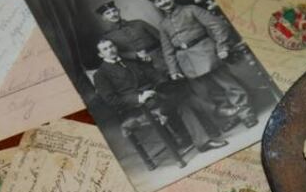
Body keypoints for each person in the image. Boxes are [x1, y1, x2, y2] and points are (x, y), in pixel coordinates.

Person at [94, 38, 227, 158]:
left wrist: (162, 83)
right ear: (100, 55)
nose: (110, 50)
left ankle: (200, 137)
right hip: (137, 107)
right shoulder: (101, 74)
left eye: (111, 46)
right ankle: (212, 119)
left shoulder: (130, 62)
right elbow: (111, 100)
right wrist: (138, 97)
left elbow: (152, 74)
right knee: (182, 100)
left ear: (116, 47)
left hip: (156, 96)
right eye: (105, 49)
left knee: (181, 91)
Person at [147, 0, 258, 129]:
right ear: (156, 5)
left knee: (229, 86)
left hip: (206, 53)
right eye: (159, 1)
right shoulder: (163, 25)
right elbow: (167, 50)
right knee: (211, 91)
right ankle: (233, 115)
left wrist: (222, 47)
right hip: (188, 63)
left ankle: (246, 113)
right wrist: (173, 71)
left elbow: (218, 25)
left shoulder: (191, 9)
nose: (163, 2)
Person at [96, 1, 166, 74]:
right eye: (108, 13)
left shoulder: (139, 23)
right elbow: (116, 53)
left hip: (160, 57)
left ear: (119, 11)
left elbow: (162, 37)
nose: (113, 14)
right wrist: (135, 55)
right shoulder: (108, 36)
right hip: (139, 65)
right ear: (104, 18)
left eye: (114, 11)